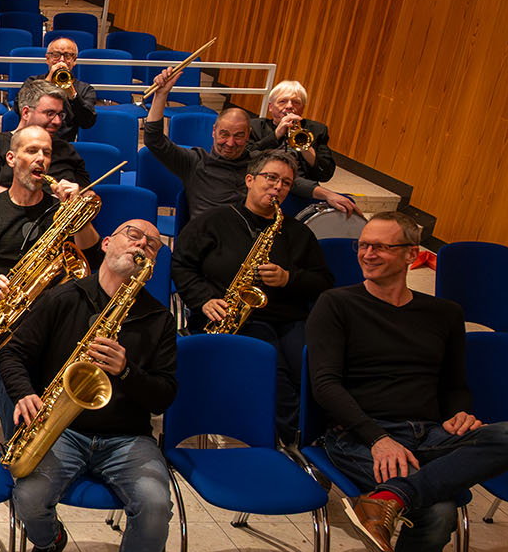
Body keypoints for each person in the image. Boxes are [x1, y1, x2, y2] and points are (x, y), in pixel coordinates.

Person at [308, 211, 508, 552]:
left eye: (381, 246)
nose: (367, 253)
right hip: (357, 435)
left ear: (413, 256)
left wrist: (461, 413)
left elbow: (455, 386)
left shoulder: (443, 314)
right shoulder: (335, 304)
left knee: (504, 433)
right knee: (438, 512)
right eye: (363, 245)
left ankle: (392, 498)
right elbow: (325, 385)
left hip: (430, 433)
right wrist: (377, 438)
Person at [0, 219, 176, 552]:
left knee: (156, 507)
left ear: (153, 263)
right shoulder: (65, 296)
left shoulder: (157, 318)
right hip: (64, 429)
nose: (141, 244)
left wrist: (127, 372)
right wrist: (25, 393)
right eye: (133, 234)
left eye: (152, 244)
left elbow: (165, 394)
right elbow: (13, 352)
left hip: (127, 437)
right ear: (109, 240)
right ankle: (49, 542)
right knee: (28, 495)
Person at [173, 151, 333, 441]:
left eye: (285, 183)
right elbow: (182, 265)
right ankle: (285, 440)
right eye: (271, 178)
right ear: (250, 180)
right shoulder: (212, 221)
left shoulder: (297, 231)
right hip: (236, 317)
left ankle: (320, 434)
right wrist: (205, 299)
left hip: (289, 317)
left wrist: (288, 278)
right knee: (275, 370)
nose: (277, 187)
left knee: (315, 367)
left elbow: (323, 281)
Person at [141, 67, 354, 218]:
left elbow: (294, 181)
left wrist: (328, 194)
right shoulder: (194, 161)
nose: (231, 143)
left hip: (246, 240)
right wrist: (161, 95)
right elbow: (154, 140)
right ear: (213, 132)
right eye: (224, 134)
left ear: (248, 134)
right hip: (207, 243)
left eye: (239, 136)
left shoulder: (257, 161)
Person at [0, 126, 100, 337]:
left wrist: (77, 212)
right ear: (11, 159)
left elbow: (93, 259)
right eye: (32, 151)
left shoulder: (61, 210)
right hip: (1, 318)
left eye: (47, 153)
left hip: (52, 322)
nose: (41, 158)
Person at [0, 79, 89, 204]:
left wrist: (79, 197)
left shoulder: (66, 149)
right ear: (26, 112)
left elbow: (88, 193)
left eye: (60, 114)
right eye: (50, 113)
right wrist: (38, 202)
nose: (57, 121)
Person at [249, 80, 334, 185]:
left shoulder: (317, 130)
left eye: (296, 102)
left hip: (304, 187)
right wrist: (276, 135)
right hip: (265, 185)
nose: (289, 106)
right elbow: (247, 158)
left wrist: (305, 145)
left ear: (302, 108)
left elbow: (326, 174)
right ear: (271, 107)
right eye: (282, 101)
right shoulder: (255, 127)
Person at [22, 36, 97, 142]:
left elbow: (87, 122)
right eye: (56, 55)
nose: (61, 60)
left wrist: (73, 95)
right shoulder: (32, 81)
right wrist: (47, 82)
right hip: (32, 141)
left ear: (74, 60)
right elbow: (19, 109)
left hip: (64, 146)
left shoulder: (84, 89)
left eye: (67, 56)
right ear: (47, 59)